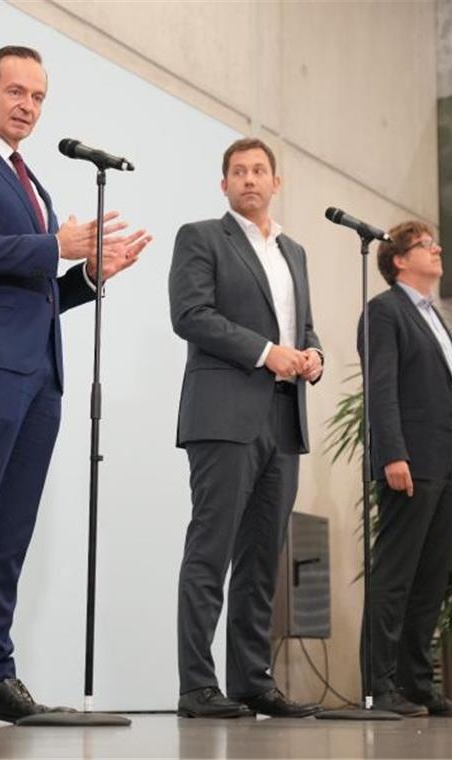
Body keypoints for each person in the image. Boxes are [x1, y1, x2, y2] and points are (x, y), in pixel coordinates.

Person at [0, 45, 151, 727]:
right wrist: (56, 248)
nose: (27, 106)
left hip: (40, 374)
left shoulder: (33, 183)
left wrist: (93, 275)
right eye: (15, 91)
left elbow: (35, 293)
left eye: (38, 97)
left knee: (10, 531)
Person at [169, 137, 324, 719]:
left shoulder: (295, 252)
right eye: (238, 171)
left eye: (259, 170)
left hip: (283, 419)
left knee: (262, 559)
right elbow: (190, 315)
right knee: (210, 551)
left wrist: (313, 356)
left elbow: (304, 327)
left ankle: (251, 681)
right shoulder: (202, 237)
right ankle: (196, 686)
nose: (249, 179)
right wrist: (267, 352)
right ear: (224, 184)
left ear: (276, 182)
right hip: (223, 415)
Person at [357, 220, 452, 718]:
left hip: (446, 464)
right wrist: (391, 453)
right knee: (394, 577)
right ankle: (379, 686)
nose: (438, 249)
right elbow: (380, 387)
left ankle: (415, 684)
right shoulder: (384, 312)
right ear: (399, 260)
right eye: (426, 245)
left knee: (430, 581)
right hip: (408, 460)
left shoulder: (434, 315)